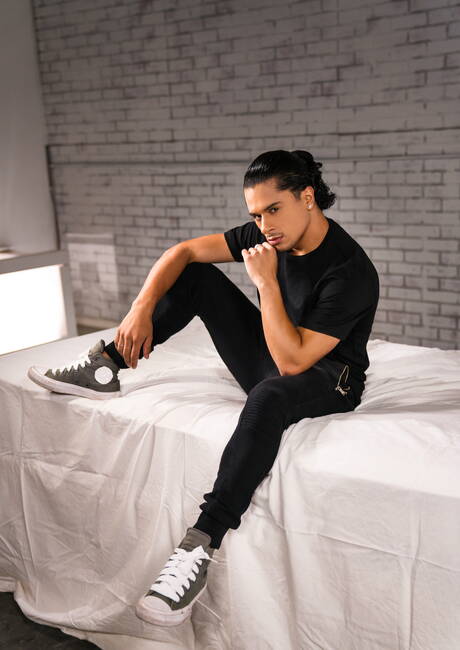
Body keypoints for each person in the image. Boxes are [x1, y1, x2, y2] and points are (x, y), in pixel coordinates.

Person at [27, 149, 380, 627]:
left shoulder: (350, 269)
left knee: (268, 396)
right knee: (196, 276)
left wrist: (266, 284)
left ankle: (200, 545)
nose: (265, 226)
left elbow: (293, 363)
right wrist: (139, 308)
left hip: (327, 379)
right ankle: (106, 367)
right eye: (256, 215)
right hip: (277, 355)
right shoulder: (271, 234)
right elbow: (183, 253)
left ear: (307, 197)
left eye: (273, 210)